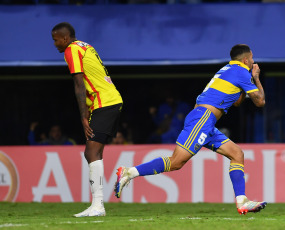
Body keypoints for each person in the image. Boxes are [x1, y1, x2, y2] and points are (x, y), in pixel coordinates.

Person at [114, 44, 267, 215]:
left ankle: (242, 201)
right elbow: (260, 101)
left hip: (206, 122)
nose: (254, 61)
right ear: (246, 60)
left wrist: (247, 83)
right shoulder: (242, 72)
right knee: (176, 162)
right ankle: (129, 172)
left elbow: (237, 101)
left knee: (237, 154)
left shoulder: (228, 69)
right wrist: (256, 77)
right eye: (252, 58)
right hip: (202, 119)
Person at [52, 22, 123, 217]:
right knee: (94, 152)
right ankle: (97, 205)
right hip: (111, 99)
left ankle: (98, 206)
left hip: (104, 102)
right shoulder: (85, 45)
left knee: (91, 151)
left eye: (56, 40)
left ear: (65, 38)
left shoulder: (71, 50)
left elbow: (79, 84)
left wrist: (83, 116)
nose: (55, 43)